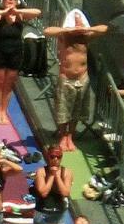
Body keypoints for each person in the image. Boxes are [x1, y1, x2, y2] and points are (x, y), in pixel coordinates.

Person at [44, 12, 107, 152]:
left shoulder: (86, 36)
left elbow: (104, 29)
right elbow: (47, 31)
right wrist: (68, 29)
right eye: (76, 22)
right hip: (66, 77)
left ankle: (70, 136)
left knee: (76, 110)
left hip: (82, 77)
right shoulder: (64, 36)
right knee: (63, 110)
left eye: (80, 22)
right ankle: (62, 136)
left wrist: (87, 29)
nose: (79, 25)